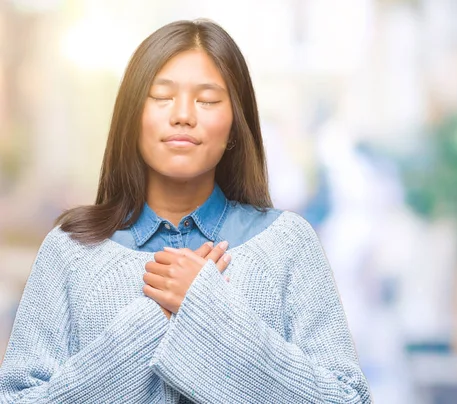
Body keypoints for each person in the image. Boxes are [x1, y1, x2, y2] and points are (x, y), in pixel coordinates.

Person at [0, 19, 372, 403]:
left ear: (234, 125)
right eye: (161, 96)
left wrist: (208, 311)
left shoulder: (287, 244)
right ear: (132, 117)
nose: (183, 115)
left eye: (207, 100)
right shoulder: (71, 251)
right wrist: (150, 321)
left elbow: (347, 399)